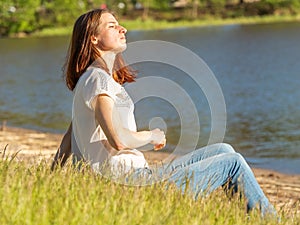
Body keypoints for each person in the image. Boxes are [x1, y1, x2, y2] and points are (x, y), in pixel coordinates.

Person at [52, 8, 276, 217]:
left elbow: (69, 140)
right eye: (112, 26)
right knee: (232, 163)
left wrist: (52, 178)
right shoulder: (99, 80)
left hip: (129, 180)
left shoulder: (90, 79)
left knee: (224, 149)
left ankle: (250, 216)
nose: (123, 29)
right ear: (93, 38)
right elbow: (118, 140)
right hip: (129, 184)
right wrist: (152, 135)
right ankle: (269, 220)